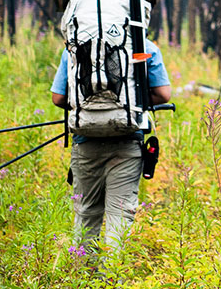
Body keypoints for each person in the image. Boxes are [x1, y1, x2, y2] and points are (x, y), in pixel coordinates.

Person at [50, 38, 171, 252]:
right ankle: (112, 282)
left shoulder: (75, 47)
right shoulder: (145, 46)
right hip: (127, 141)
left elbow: (58, 97)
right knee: (120, 216)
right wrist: (135, 102)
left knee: (86, 213)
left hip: (85, 142)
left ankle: (82, 278)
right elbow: (163, 94)